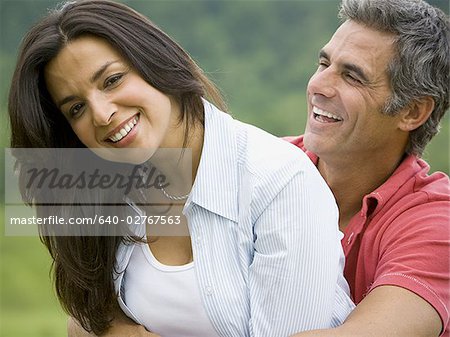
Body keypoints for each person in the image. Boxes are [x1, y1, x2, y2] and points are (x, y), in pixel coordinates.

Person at [8, 1, 354, 337]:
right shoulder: (106, 191)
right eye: (76, 108)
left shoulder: (278, 182)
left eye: (112, 80)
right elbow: (87, 318)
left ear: (155, 61)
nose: (100, 114)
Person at [287, 0, 450, 336]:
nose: (319, 85)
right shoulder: (261, 159)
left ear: (412, 112)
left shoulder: (437, 224)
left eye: (352, 76)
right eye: (323, 63)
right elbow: (161, 187)